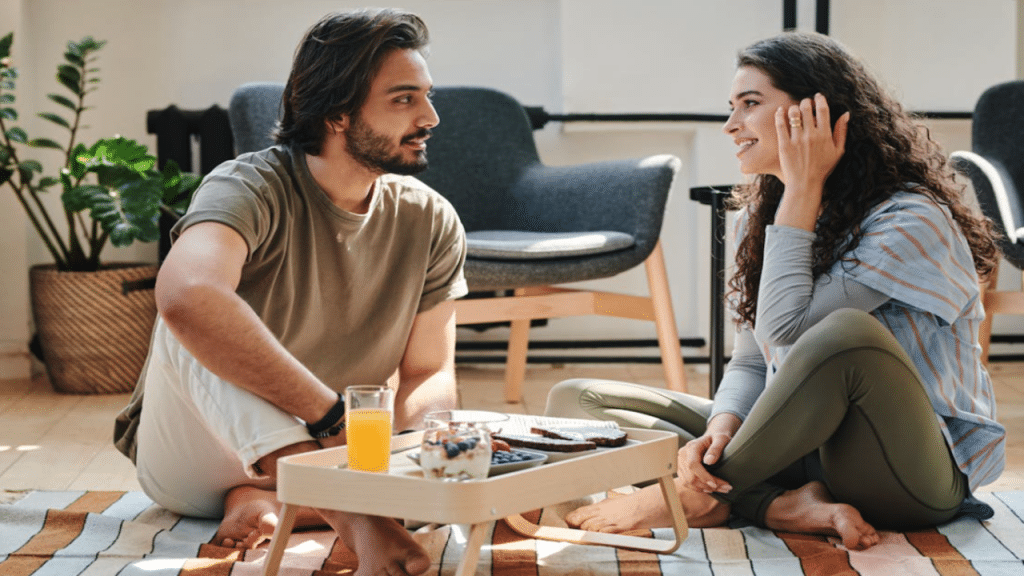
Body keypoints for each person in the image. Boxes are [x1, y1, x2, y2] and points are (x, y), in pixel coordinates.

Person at [545, 31, 1006, 550]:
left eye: (750, 104)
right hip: (802, 456)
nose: (730, 125)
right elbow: (751, 359)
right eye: (732, 106)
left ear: (816, 114)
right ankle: (775, 503)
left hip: (909, 476)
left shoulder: (909, 220)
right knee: (578, 401)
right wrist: (722, 425)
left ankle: (697, 497)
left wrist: (803, 186)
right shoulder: (761, 217)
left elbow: (790, 331)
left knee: (846, 335)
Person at [113, 9, 467, 576]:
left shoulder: (430, 219)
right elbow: (185, 296)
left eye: (426, 95)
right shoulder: (248, 186)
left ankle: (280, 504)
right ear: (337, 113)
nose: (430, 116)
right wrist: (330, 423)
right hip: (197, 458)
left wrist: (421, 463)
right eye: (403, 99)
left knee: (441, 453)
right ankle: (352, 519)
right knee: (192, 315)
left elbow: (428, 371)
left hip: (338, 453)